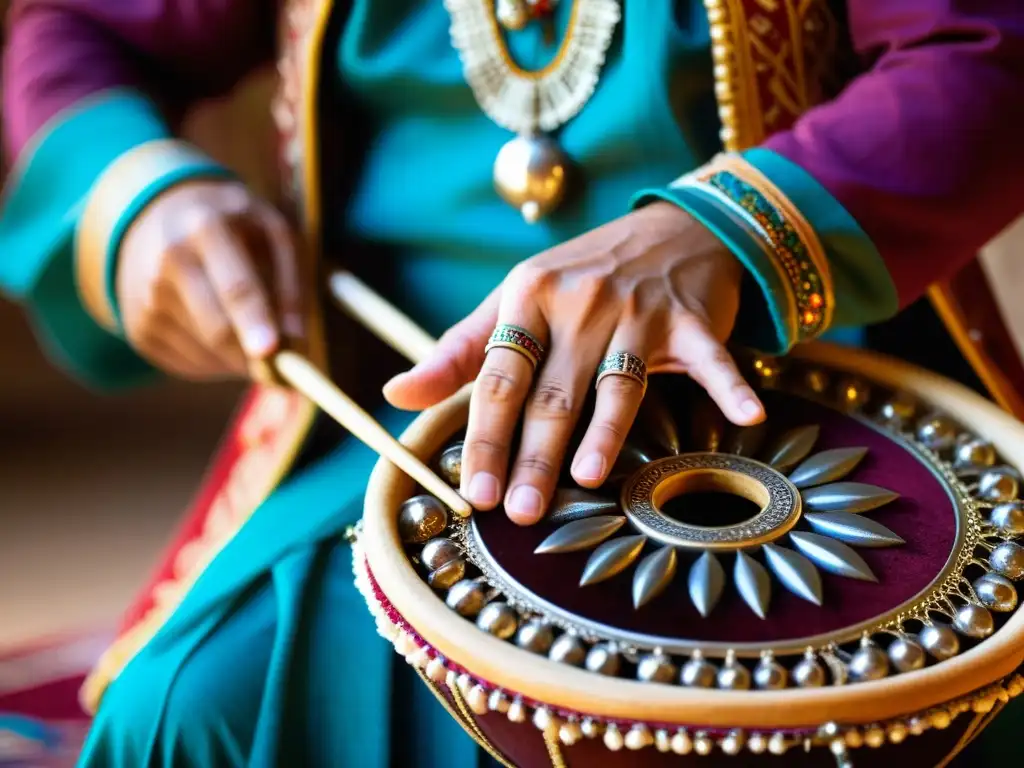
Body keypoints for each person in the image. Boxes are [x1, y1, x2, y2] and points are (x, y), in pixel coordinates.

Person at [1, 0, 1023, 765]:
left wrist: (717, 235)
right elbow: (88, 28)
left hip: (805, 413)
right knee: (194, 710)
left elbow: (986, 51)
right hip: (397, 432)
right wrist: (134, 195)